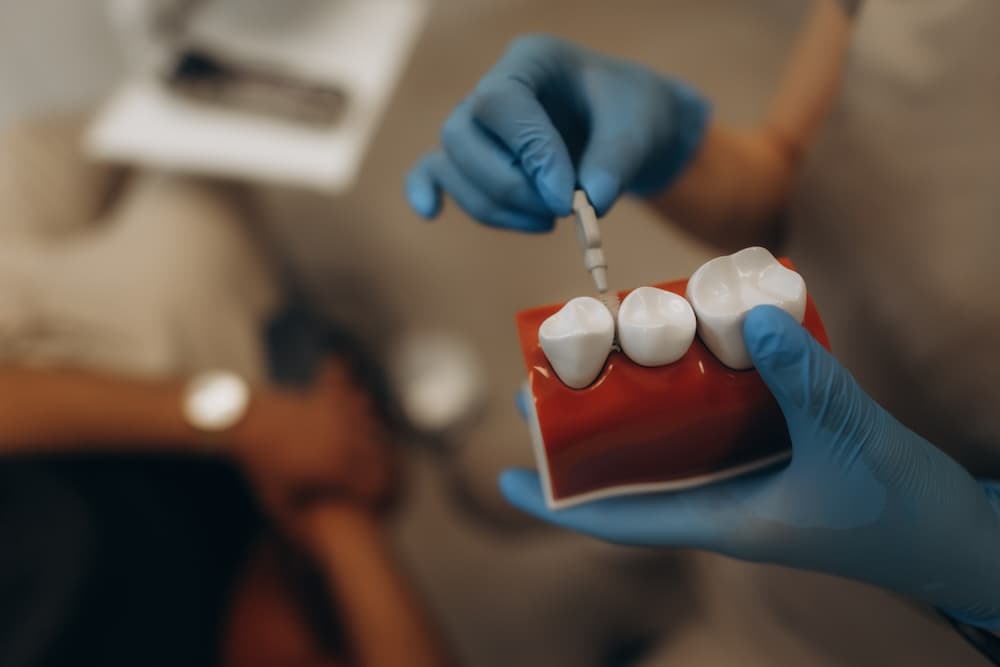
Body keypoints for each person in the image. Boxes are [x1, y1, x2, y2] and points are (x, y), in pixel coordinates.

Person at [407, 0, 1000, 663]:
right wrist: (677, 146)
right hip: (766, 400)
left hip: (900, 624)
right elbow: (792, 177)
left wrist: (976, 563)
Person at [0, 116, 448, 667]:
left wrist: (246, 419)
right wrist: (336, 505)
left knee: (52, 142)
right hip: (167, 396)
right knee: (195, 175)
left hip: (110, 407)